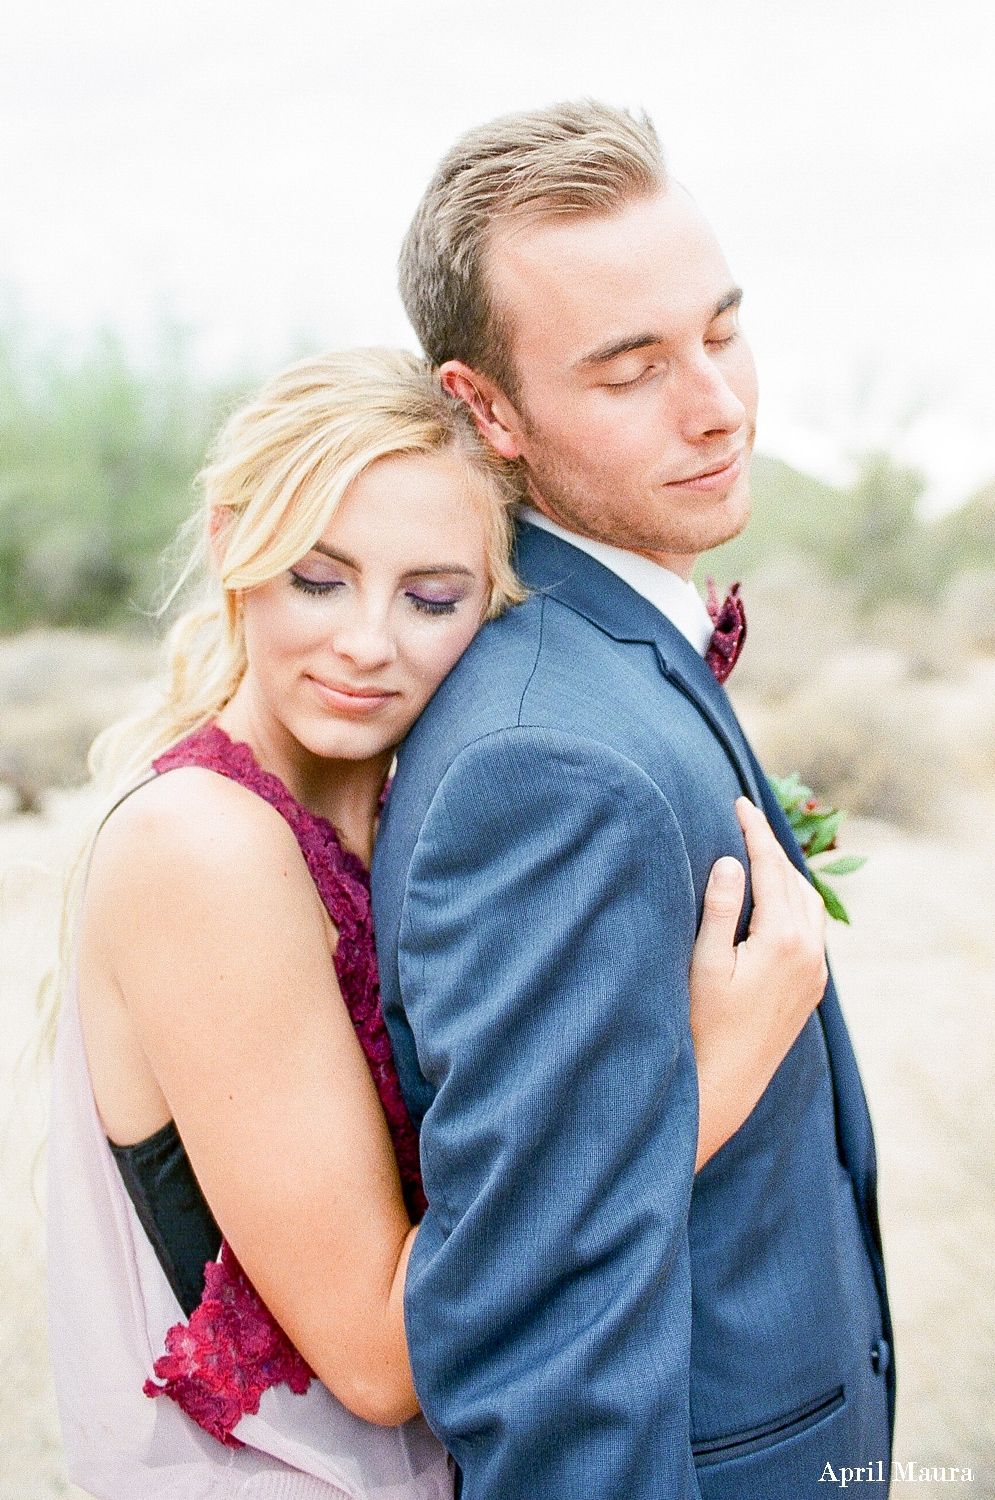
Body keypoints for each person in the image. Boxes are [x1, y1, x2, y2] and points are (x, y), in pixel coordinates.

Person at [47, 346, 827, 1498]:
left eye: (430, 598)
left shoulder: (422, 809)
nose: (368, 643)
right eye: (318, 580)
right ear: (231, 547)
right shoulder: (200, 847)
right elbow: (372, 1357)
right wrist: (712, 1073)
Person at [373, 101, 895, 1499]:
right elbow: (550, 1340)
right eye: (630, 371)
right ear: (486, 411)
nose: (715, 403)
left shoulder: (613, 650)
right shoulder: (539, 763)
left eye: (720, 333)